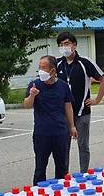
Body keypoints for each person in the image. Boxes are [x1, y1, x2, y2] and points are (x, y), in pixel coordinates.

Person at [56, 32, 104, 173]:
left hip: (82, 111)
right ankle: (64, 175)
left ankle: (83, 174)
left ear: (74, 45)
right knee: (63, 147)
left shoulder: (84, 62)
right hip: (63, 114)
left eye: (66, 44)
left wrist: (96, 100)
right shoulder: (57, 64)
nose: (64, 47)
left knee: (83, 145)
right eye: (61, 45)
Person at [23, 55, 78, 185]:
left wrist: (72, 126)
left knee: (62, 167)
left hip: (60, 132)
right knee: (40, 167)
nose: (40, 70)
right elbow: (27, 105)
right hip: (41, 133)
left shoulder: (63, 86)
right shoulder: (34, 84)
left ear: (53, 70)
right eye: (39, 67)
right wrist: (32, 95)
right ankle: (38, 194)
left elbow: (68, 107)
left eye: (44, 68)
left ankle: (61, 193)